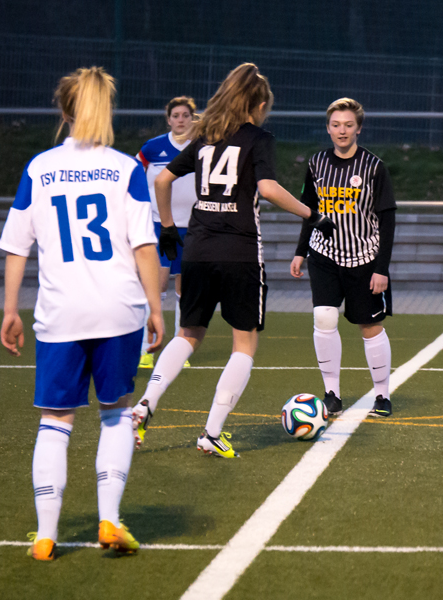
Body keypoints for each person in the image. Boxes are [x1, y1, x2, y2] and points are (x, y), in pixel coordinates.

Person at [0, 67, 164, 561]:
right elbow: (144, 247)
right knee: (114, 415)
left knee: (56, 420)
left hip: (61, 312)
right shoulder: (125, 168)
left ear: (64, 111)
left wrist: (10, 310)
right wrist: (156, 307)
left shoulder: (40, 167)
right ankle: (109, 521)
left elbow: (15, 246)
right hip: (119, 311)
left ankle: (47, 535)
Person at [131, 63, 335, 457]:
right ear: (258, 104)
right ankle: (210, 433)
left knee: (188, 334)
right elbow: (269, 188)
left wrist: (169, 228)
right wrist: (312, 214)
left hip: (198, 250)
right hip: (239, 252)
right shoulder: (258, 138)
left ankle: (144, 405)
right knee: (243, 345)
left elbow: (160, 180)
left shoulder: (206, 135)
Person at [290, 98, 396, 418]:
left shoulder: (374, 167)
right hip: (324, 255)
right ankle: (332, 394)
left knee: (370, 326)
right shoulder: (317, 163)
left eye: (348, 125)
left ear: (358, 128)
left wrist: (382, 268)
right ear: (328, 128)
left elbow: (388, 219)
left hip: (364, 259)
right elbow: (309, 209)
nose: (342, 130)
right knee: (324, 317)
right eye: (336, 125)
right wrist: (300, 251)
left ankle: (382, 395)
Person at [136, 96, 198, 368]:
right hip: (160, 226)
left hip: (194, 227)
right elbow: (134, 181)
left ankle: (178, 352)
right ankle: (146, 350)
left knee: (185, 289)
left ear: (193, 118)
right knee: (156, 286)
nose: (181, 119)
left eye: (186, 115)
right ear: (168, 119)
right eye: (176, 115)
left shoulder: (202, 147)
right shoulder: (152, 149)